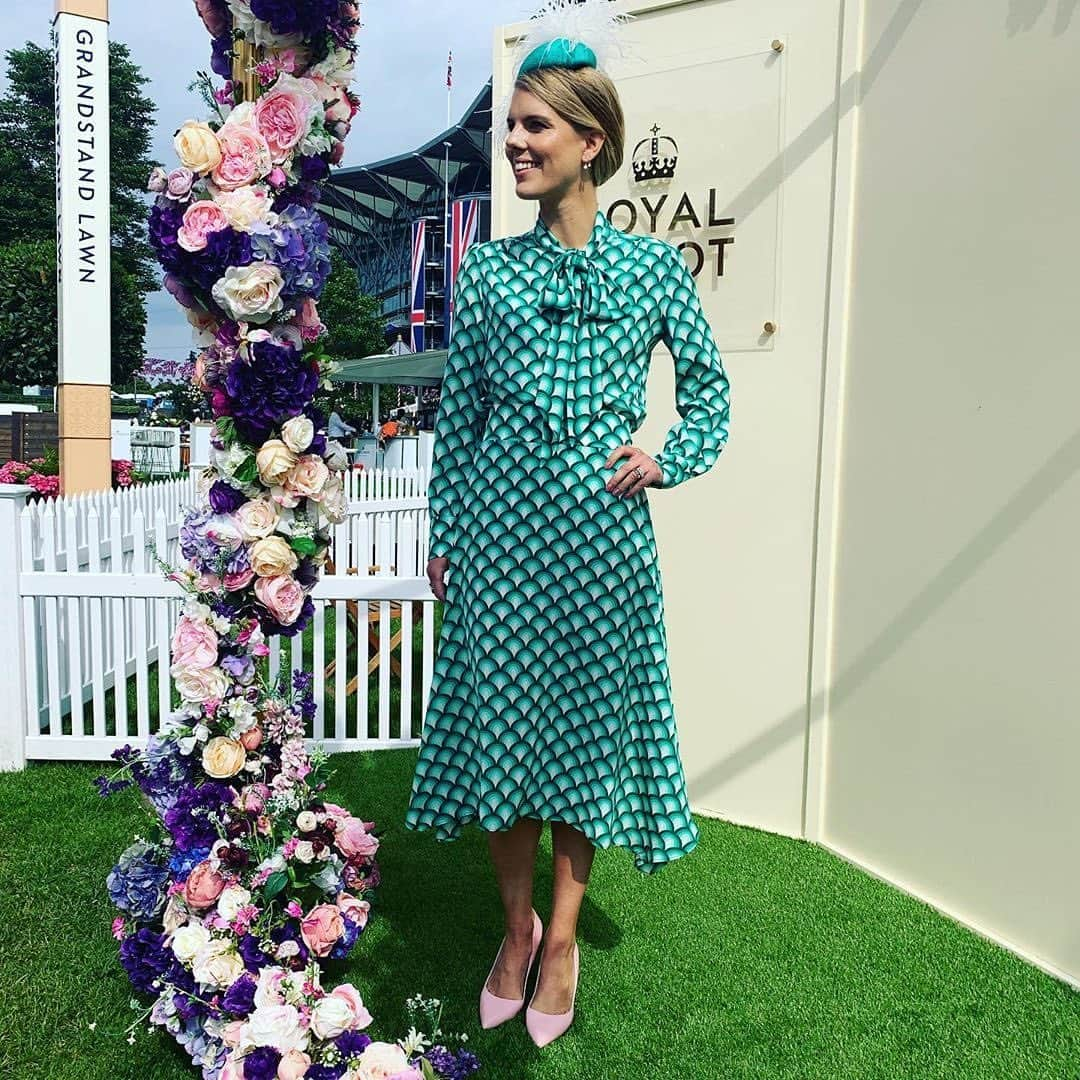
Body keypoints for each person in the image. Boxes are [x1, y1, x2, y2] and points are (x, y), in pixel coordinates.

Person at [403, 0, 731, 1050]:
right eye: (511, 126)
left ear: (593, 141)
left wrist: (664, 457)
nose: (514, 142)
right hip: (500, 540)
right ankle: (514, 930)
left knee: (586, 747)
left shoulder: (650, 270)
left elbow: (712, 396)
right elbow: (460, 421)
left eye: (535, 127)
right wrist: (445, 532)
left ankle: (564, 942)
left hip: (603, 549)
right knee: (502, 737)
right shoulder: (491, 269)